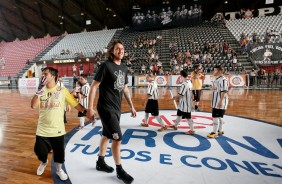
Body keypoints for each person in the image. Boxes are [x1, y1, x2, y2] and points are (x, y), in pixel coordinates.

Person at [86, 40, 136, 184]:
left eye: (122, 48)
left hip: (116, 108)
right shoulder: (106, 66)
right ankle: (119, 170)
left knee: (106, 135)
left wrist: (131, 106)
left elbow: (125, 89)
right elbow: (94, 87)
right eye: (117, 48)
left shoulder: (125, 68)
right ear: (112, 51)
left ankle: (100, 162)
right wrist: (90, 107)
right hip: (106, 108)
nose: (120, 50)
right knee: (117, 139)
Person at [31, 67, 87, 181]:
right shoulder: (41, 90)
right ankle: (44, 161)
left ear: (53, 76)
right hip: (42, 129)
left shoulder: (62, 91)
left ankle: (59, 170)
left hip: (57, 130)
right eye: (42, 74)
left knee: (59, 154)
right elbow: (33, 105)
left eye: (45, 74)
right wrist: (39, 89)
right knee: (39, 151)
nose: (43, 76)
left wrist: (88, 113)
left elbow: (76, 104)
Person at [169, 70, 194, 134]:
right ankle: (175, 126)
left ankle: (192, 130)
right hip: (184, 103)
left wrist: (174, 97)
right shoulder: (189, 82)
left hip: (186, 104)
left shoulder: (184, 84)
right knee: (179, 115)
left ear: (181, 76)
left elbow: (181, 94)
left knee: (188, 117)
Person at [207, 65, 229, 138]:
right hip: (216, 100)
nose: (213, 72)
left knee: (215, 117)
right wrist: (212, 88)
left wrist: (220, 101)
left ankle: (214, 132)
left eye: (215, 70)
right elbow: (218, 89)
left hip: (219, 101)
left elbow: (224, 91)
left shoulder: (223, 80)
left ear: (219, 71)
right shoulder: (216, 79)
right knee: (219, 117)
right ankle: (220, 130)